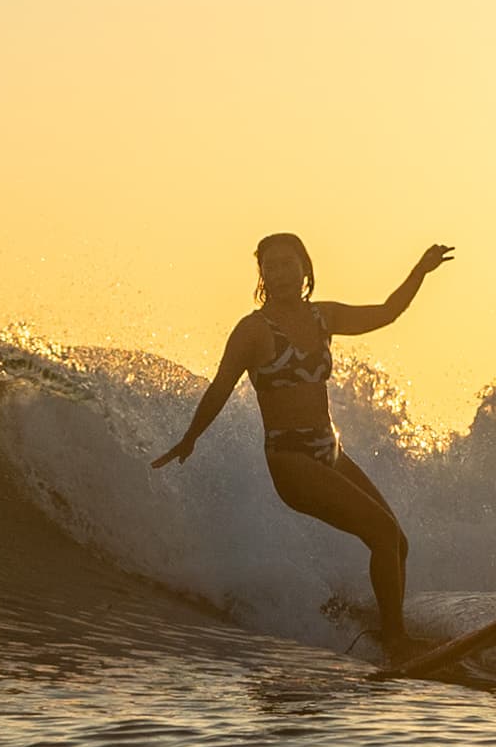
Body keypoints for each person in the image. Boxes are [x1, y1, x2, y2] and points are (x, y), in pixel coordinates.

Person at [152, 233, 454, 654]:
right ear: (262, 275)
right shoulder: (253, 331)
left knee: (396, 542)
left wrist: (419, 272)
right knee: (383, 532)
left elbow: (386, 313)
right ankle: (396, 640)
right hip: (290, 460)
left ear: (304, 267)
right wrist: (190, 438)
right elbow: (221, 387)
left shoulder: (322, 317)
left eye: (286, 263)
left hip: (328, 453)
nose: (278, 273)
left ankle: (383, 622)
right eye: (269, 266)